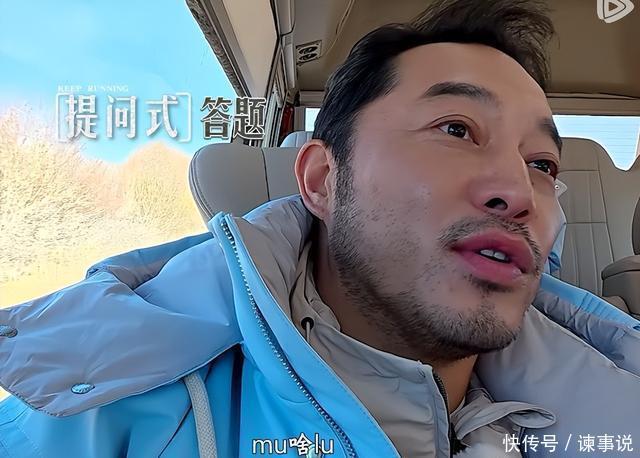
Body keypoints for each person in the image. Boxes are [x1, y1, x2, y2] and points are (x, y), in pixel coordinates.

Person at [1, 0, 639, 457]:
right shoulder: (92, 418)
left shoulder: (615, 405)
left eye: (542, 164)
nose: (519, 193)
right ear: (322, 180)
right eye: (456, 129)